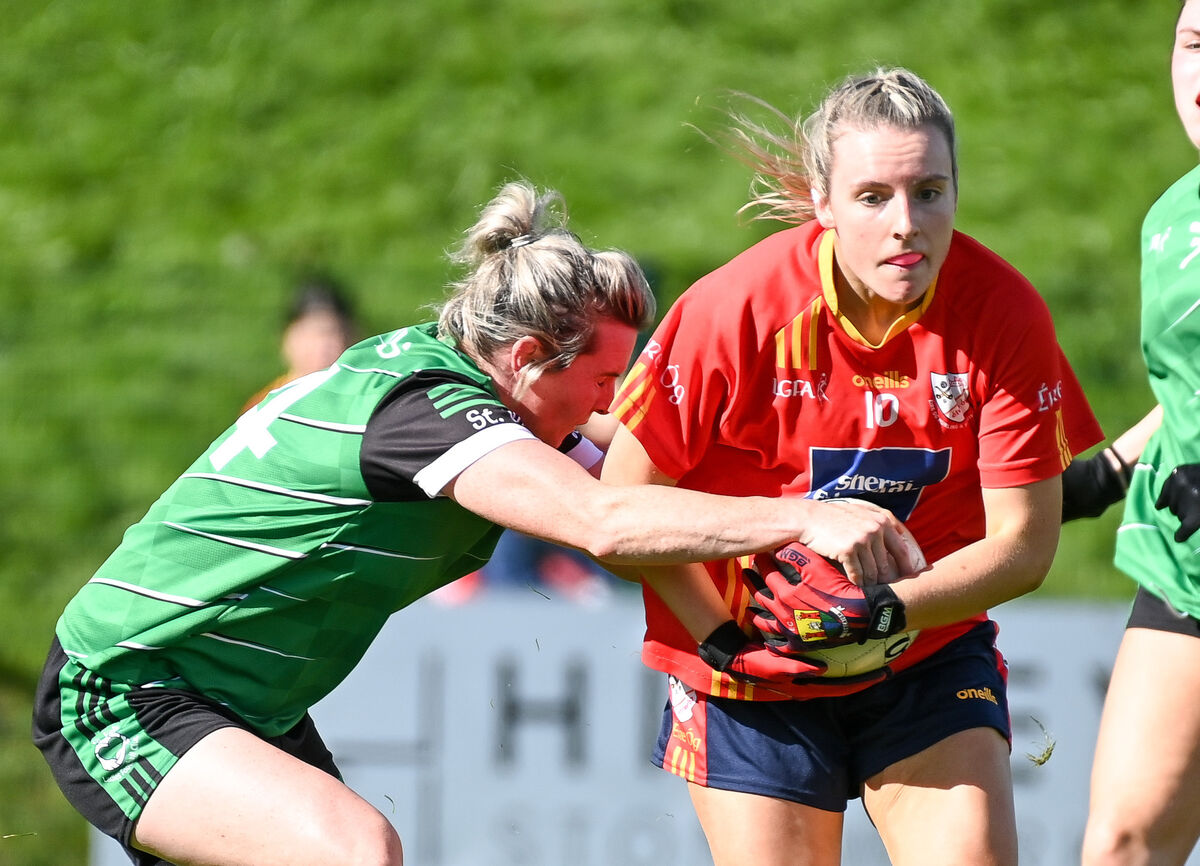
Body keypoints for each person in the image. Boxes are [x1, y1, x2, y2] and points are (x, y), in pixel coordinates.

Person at [31, 179, 921, 866]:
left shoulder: (484, 400)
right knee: (354, 851)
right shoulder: (426, 413)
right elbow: (604, 521)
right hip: (125, 686)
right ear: (529, 357)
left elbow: (642, 501)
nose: (617, 408)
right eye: (607, 382)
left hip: (239, 701)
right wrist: (804, 517)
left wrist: (722, 639)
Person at [601, 68, 1103, 866]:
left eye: (929, 191)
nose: (907, 224)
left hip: (926, 650)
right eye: (874, 197)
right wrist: (727, 641)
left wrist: (889, 612)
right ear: (824, 203)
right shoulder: (736, 308)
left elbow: (1024, 546)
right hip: (745, 671)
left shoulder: (1003, 312)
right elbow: (617, 515)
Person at [1081, 3, 1200, 862]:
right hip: (1183, 564)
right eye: (1195, 45)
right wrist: (1101, 474)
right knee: (1125, 841)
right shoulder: (1172, 217)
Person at [242, 275, 360, 412]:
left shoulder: (363, 400)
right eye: (312, 333)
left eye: (334, 333)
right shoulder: (262, 407)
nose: (324, 346)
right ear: (288, 338)